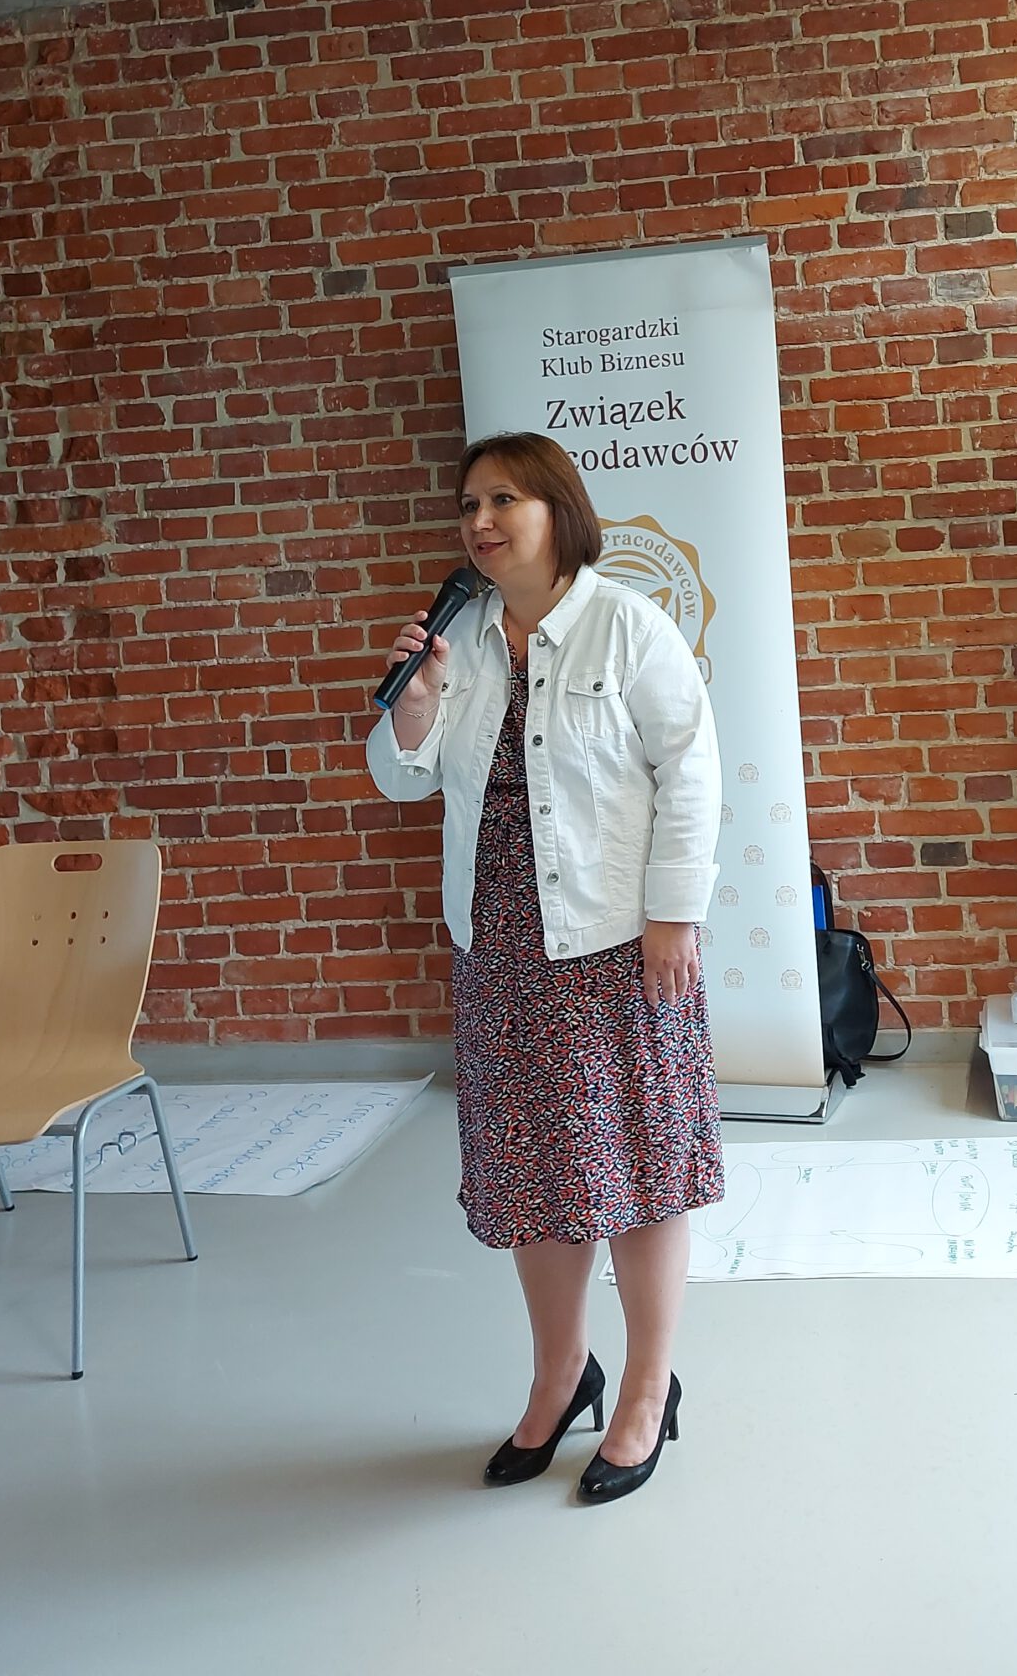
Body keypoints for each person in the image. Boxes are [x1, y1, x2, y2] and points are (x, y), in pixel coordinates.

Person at [366, 431, 723, 1504]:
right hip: (501, 946)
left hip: (616, 943)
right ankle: (563, 1375)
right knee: (534, 1176)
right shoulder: (461, 637)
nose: (479, 521)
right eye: (469, 504)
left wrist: (674, 913)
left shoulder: (628, 623)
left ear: (557, 511)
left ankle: (648, 1387)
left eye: (503, 500)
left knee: (642, 1165)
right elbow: (400, 777)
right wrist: (415, 701)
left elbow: (692, 769)